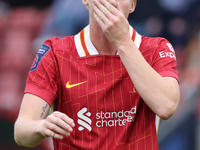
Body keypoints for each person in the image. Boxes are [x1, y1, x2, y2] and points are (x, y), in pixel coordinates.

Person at [14, 0, 180, 149]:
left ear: (133, 5)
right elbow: (21, 132)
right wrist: (40, 127)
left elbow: (166, 107)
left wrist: (122, 42)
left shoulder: (157, 49)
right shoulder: (56, 53)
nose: (112, 2)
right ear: (86, 1)